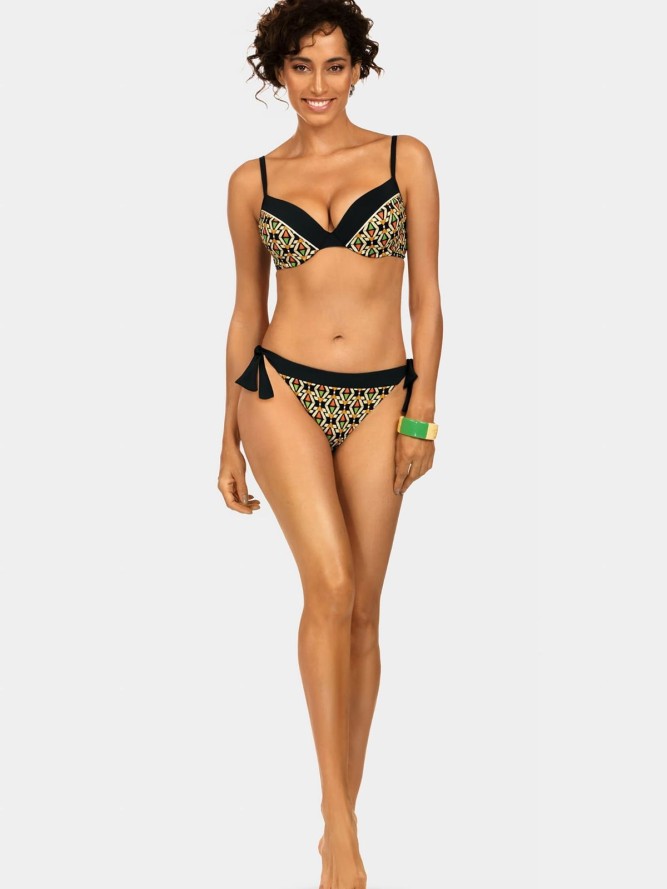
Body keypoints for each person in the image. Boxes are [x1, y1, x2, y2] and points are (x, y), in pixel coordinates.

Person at [217, 1, 443, 886]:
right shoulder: (252, 181)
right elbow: (246, 310)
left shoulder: (403, 159)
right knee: (332, 584)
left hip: (384, 395)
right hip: (278, 389)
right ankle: (339, 830)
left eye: (335, 65)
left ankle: (339, 815)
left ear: (358, 69)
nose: (318, 84)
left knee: (364, 611)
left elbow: (427, 298)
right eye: (301, 66)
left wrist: (422, 413)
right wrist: (226, 437)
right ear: (278, 71)